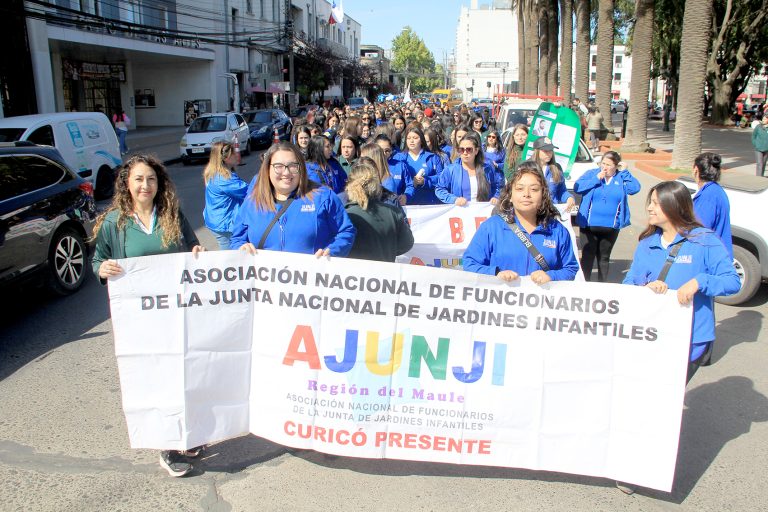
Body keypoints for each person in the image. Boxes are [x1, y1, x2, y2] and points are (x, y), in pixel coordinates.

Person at [91, 154, 206, 478]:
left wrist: (198, 254)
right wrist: (101, 268)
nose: (145, 185)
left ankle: (188, 436)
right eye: (139, 179)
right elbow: (97, 261)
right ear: (127, 182)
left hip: (179, 314)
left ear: (160, 184)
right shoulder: (116, 222)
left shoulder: (171, 214)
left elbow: (193, 248)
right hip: (144, 322)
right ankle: (167, 446)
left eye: (151, 179)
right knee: (158, 381)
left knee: (186, 374)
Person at [623, 181, 740, 383]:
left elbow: (732, 281)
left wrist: (700, 281)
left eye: (655, 203)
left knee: (670, 396)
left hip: (690, 339)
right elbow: (628, 283)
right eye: (650, 203)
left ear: (674, 206)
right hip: (652, 335)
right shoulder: (646, 243)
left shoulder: (704, 240)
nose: (649, 208)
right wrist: (644, 289)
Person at [230, 142, 355, 256]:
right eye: (278, 166)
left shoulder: (323, 197)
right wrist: (241, 247)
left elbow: (346, 231)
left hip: (311, 277)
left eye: (293, 166)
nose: (286, 172)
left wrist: (332, 251)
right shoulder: (253, 202)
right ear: (267, 169)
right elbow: (237, 239)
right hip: (266, 278)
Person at [463, 161, 579, 283]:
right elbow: (470, 263)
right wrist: (496, 273)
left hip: (542, 300)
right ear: (510, 196)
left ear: (543, 195)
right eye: (519, 189)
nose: (526, 194)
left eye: (534, 189)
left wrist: (551, 276)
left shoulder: (557, 231)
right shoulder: (492, 227)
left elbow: (570, 269)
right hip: (501, 299)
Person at [573, 151, 641, 281]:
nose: (605, 167)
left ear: (616, 166)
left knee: (604, 257)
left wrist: (625, 172)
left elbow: (635, 188)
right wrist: (595, 179)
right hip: (589, 224)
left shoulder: (621, 177)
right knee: (588, 255)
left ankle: (602, 284)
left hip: (610, 226)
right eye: (603, 163)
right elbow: (577, 187)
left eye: (609, 165)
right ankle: (584, 284)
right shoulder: (592, 173)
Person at [343, 159, 414, 262]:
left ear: (350, 186)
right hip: (384, 272)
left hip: (354, 274)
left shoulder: (346, 214)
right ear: (376, 185)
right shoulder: (393, 213)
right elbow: (407, 243)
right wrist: (388, 249)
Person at [202, 141, 249, 250]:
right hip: (224, 224)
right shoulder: (224, 179)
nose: (237, 155)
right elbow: (249, 192)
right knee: (231, 257)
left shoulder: (213, 172)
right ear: (226, 158)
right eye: (234, 153)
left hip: (215, 220)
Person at [436, 132, 502, 206]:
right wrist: (454, 199)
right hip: (460, 213)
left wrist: (496, 197)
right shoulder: (451, 169)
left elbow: (498, 186)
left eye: (469, 149)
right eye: (461, 149)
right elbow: (439, 189)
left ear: (476, 151)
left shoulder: (487, 169)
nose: (465, 153)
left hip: (482, 214)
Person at [692, 152, 732, 258]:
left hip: (710, 258)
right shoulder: (715, 191)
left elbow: (699, 231)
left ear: (696, 170)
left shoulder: (708, 196)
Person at [531, 136, 575, 211]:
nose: (549, 153)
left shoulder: (556, 168)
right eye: (545, 151)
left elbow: (562, 190)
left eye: (550, 150)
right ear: (536, 151)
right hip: (532, 212)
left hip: (551, 212)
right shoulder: (526, 167)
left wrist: (569, 198)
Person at [401, 126, 442, 205]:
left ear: (422, 140)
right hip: (408, 204)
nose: (411, 141)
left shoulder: (432, 157)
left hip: (429, 203)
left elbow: (442, 178)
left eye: (415, 138)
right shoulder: (400, 158)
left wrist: (425, 181)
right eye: (408, 138)